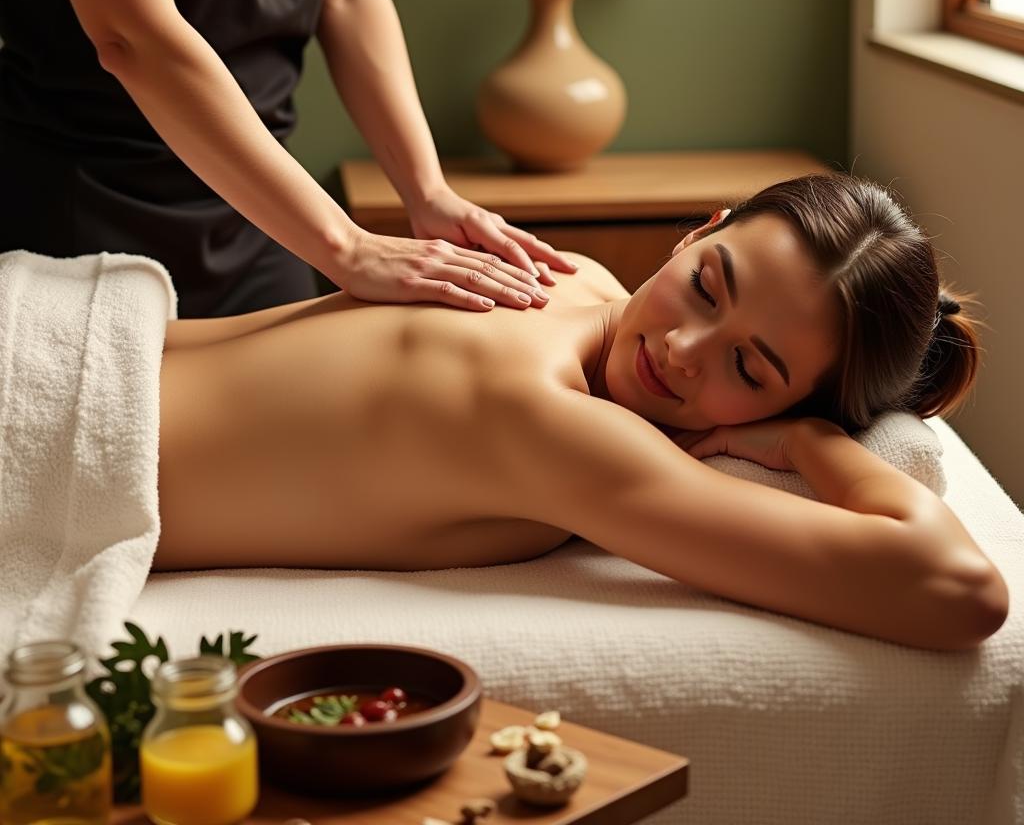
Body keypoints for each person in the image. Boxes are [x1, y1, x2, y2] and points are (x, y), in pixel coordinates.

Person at [152, 172, 1009, 652]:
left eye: (748, 367)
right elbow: (958, 588)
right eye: (708, 285)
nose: (683, 348)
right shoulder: (561, 427)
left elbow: (967, 598)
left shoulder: (576, 275)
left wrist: (803, 434)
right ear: (698, 231)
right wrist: (813, 444)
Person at [0, 0, 571, 318]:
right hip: (96, 216)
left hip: (268, 216)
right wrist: (346, 247)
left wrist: (427, 191)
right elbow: (132, 33)